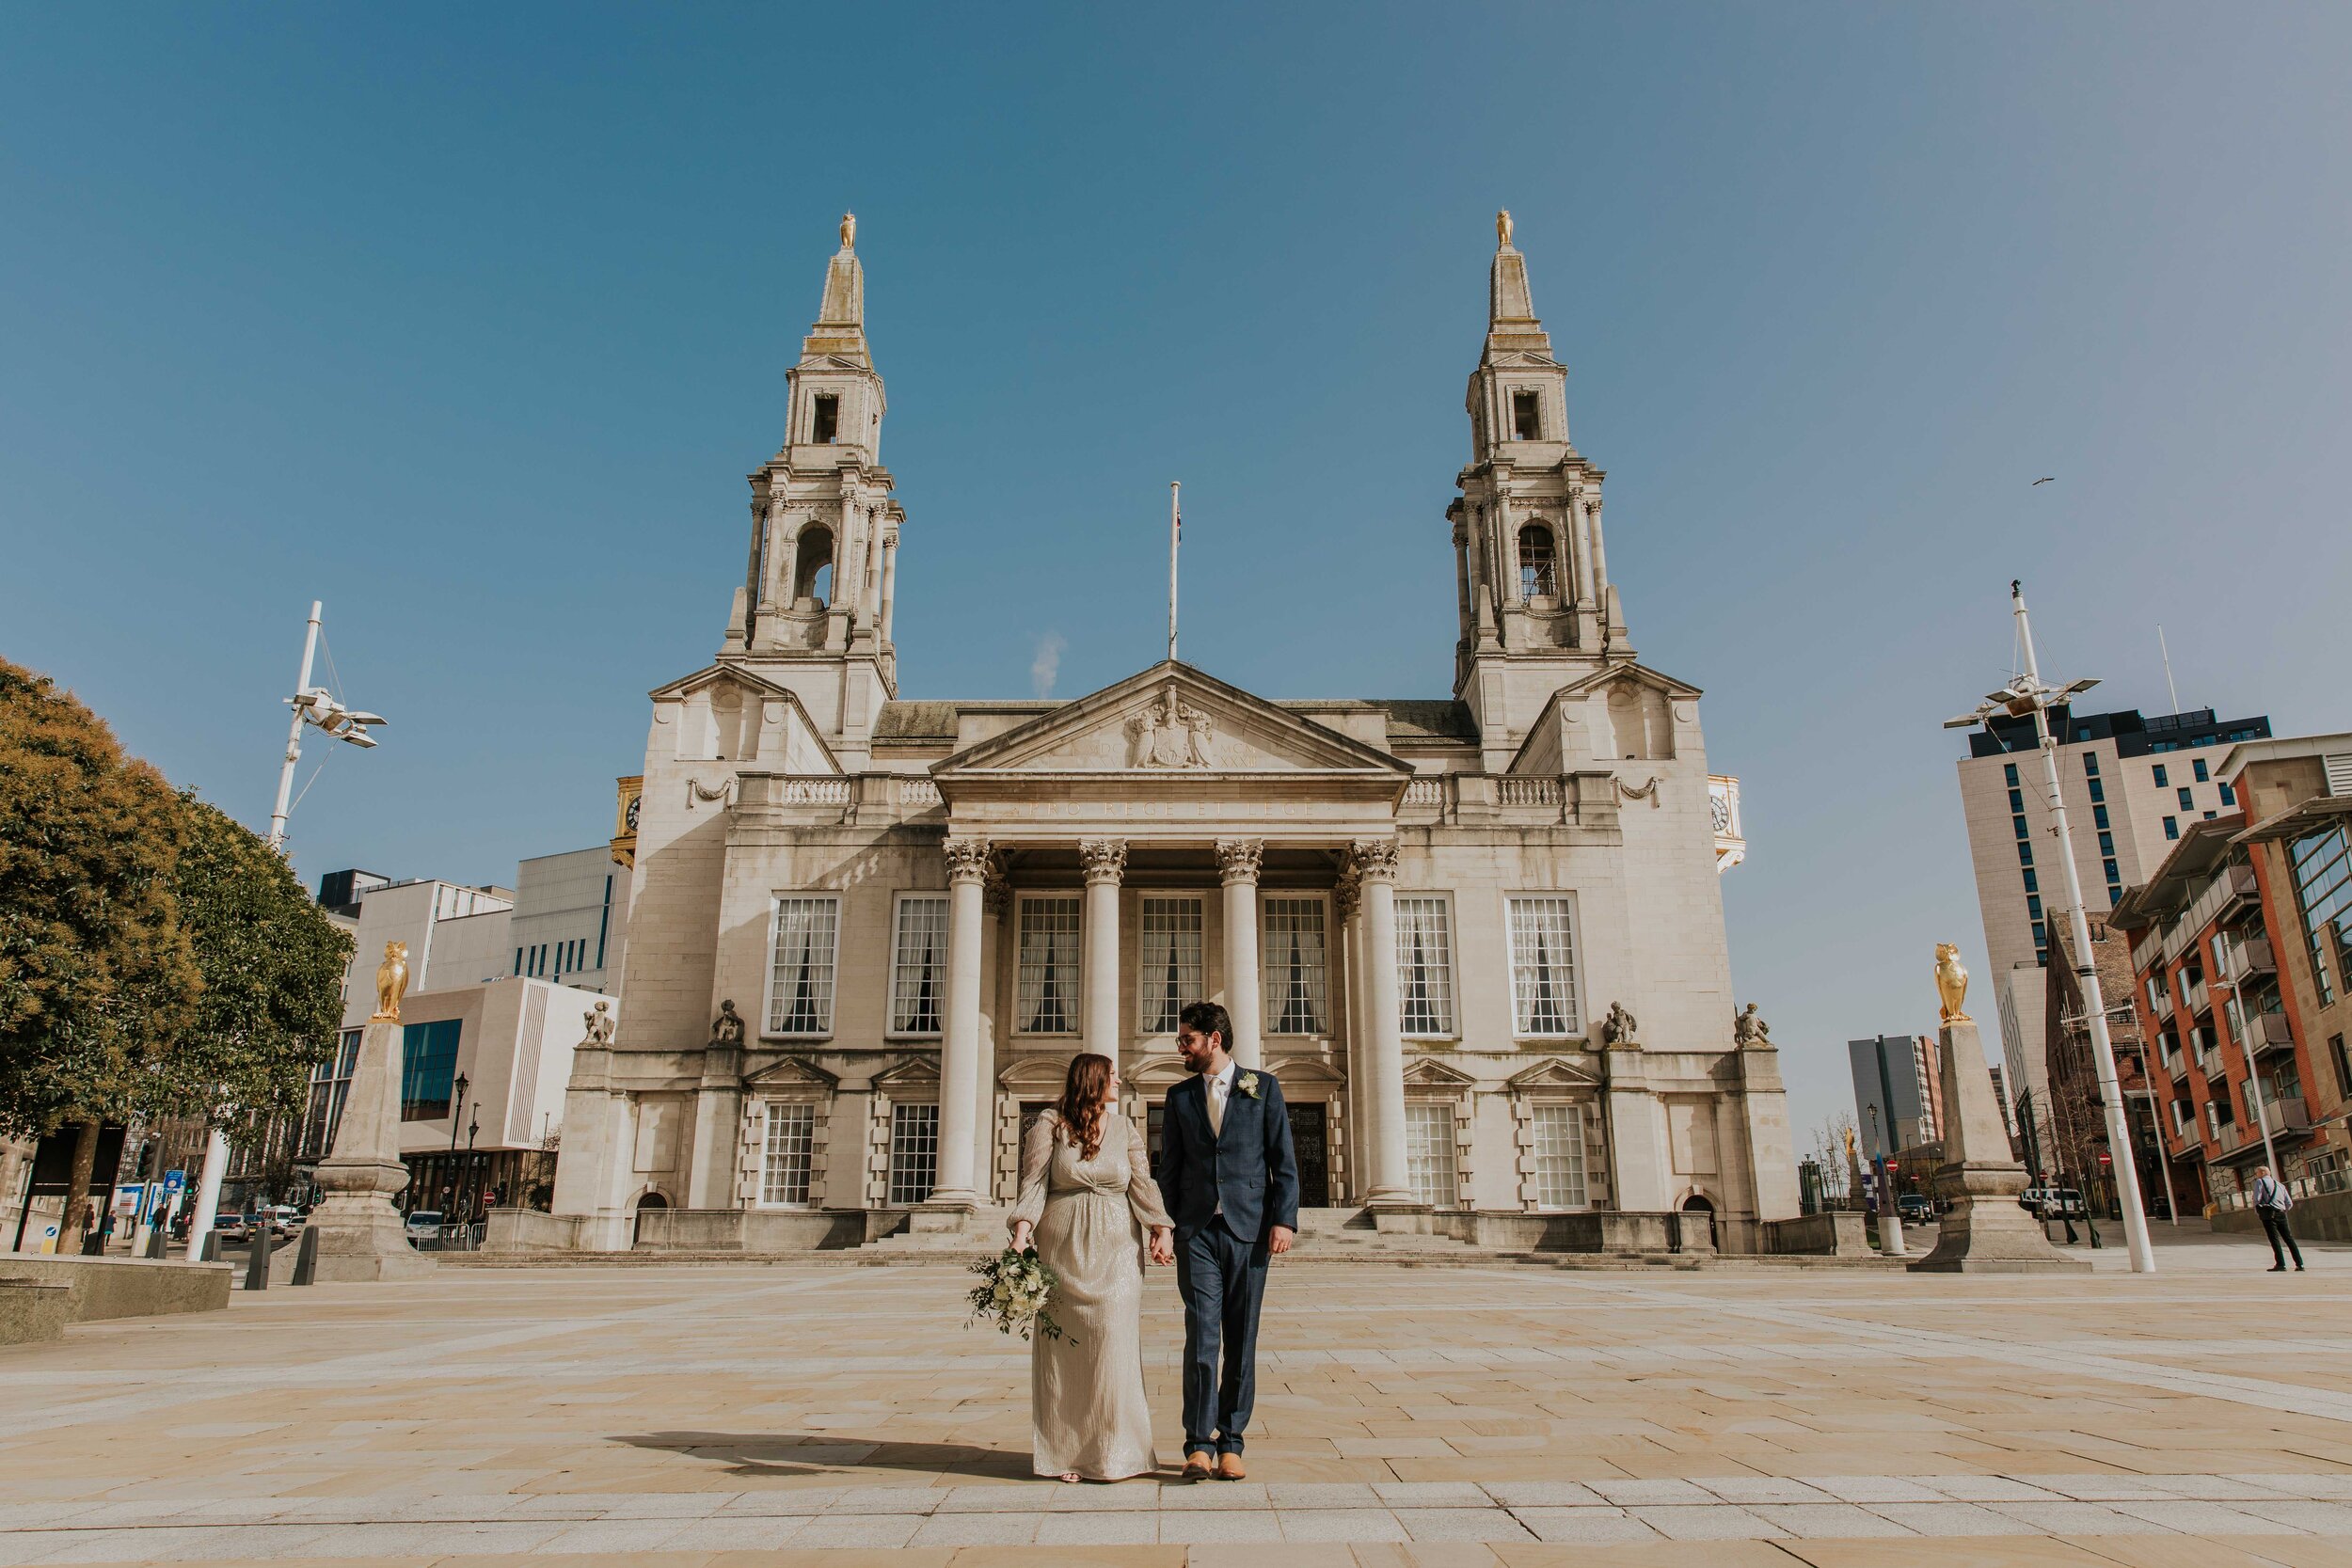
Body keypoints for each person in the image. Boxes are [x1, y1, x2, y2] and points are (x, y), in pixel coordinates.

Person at [1008, 1052, 1173, 1482]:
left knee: (1113, 1344)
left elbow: (1142, 1182)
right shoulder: (1049, 1124)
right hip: (1061, 1250)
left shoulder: (1124, 1128)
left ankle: (1117, 1453)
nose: (1119, 1081)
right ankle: (1068, 1455)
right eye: (1112, 1076)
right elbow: (1034, 1183)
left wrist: (1161, 1226)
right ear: (1093, 1080)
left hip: (1118, 1250)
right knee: (1066, 1354)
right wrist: (1022, 1232)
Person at [1154, 1001, 1300, 1481]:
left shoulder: (1263, 1087)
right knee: (1202, 1337)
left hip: (1250, 1230)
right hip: (1196, 1231)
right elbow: (1169, 1171)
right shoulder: (1178, 1097)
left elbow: (1283, 1161)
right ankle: (1197, 1445)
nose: (1181, 1048)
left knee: (1241, 1339)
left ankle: (1231, 1442)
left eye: (1187, 1040)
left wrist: (1284, 1221)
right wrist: (1165, 1226)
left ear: (1213, 1039)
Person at [2252, 1164, 2304, 1273]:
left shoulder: (2260, 1182)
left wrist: (2258, 1211)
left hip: (2269, 1214)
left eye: (2256, 1173)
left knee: (2274, 1239)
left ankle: (2281, 1264)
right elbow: (2289, 1203)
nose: (2256, 1176)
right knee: (2289, 1239)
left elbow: (2257, 1199)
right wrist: (2282, 1210)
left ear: (2262, 1173)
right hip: (2281, 1213)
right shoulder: (2280, 1185)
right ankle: (2300, 1263)